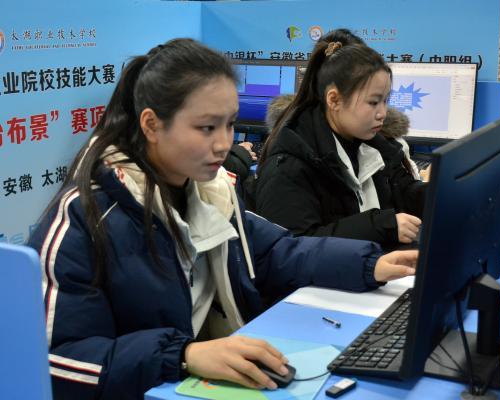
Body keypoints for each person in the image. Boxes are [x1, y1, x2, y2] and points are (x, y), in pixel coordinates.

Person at [27, 38, 419, 400]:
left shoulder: (209, 193)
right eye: (206, 128)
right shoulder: (84, 218)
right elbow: (55, 361)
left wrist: (370, 265)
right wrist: (183, 356)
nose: (224, 143)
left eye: (230, 124)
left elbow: (277, 252)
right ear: (151, 125)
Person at [255, 30, 426, 248]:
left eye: (385, 100)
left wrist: (440, 194)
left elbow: (404, 192)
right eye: (373, 102)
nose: (383, 113)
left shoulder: (374, 143)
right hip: (345, 268)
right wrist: (380, 226)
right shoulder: (290, 164)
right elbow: (290, 250)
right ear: (334, 100)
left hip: (372, 263)